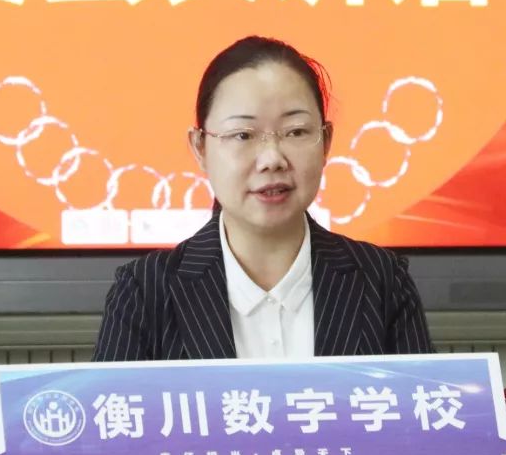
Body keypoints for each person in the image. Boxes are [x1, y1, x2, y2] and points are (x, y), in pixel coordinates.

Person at [93, 35, 433, 360]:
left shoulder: (382, 281)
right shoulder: (144, 292)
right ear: (200, 147)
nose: (272, 159)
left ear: (326, 141)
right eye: (243, 135)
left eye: (296, 131)